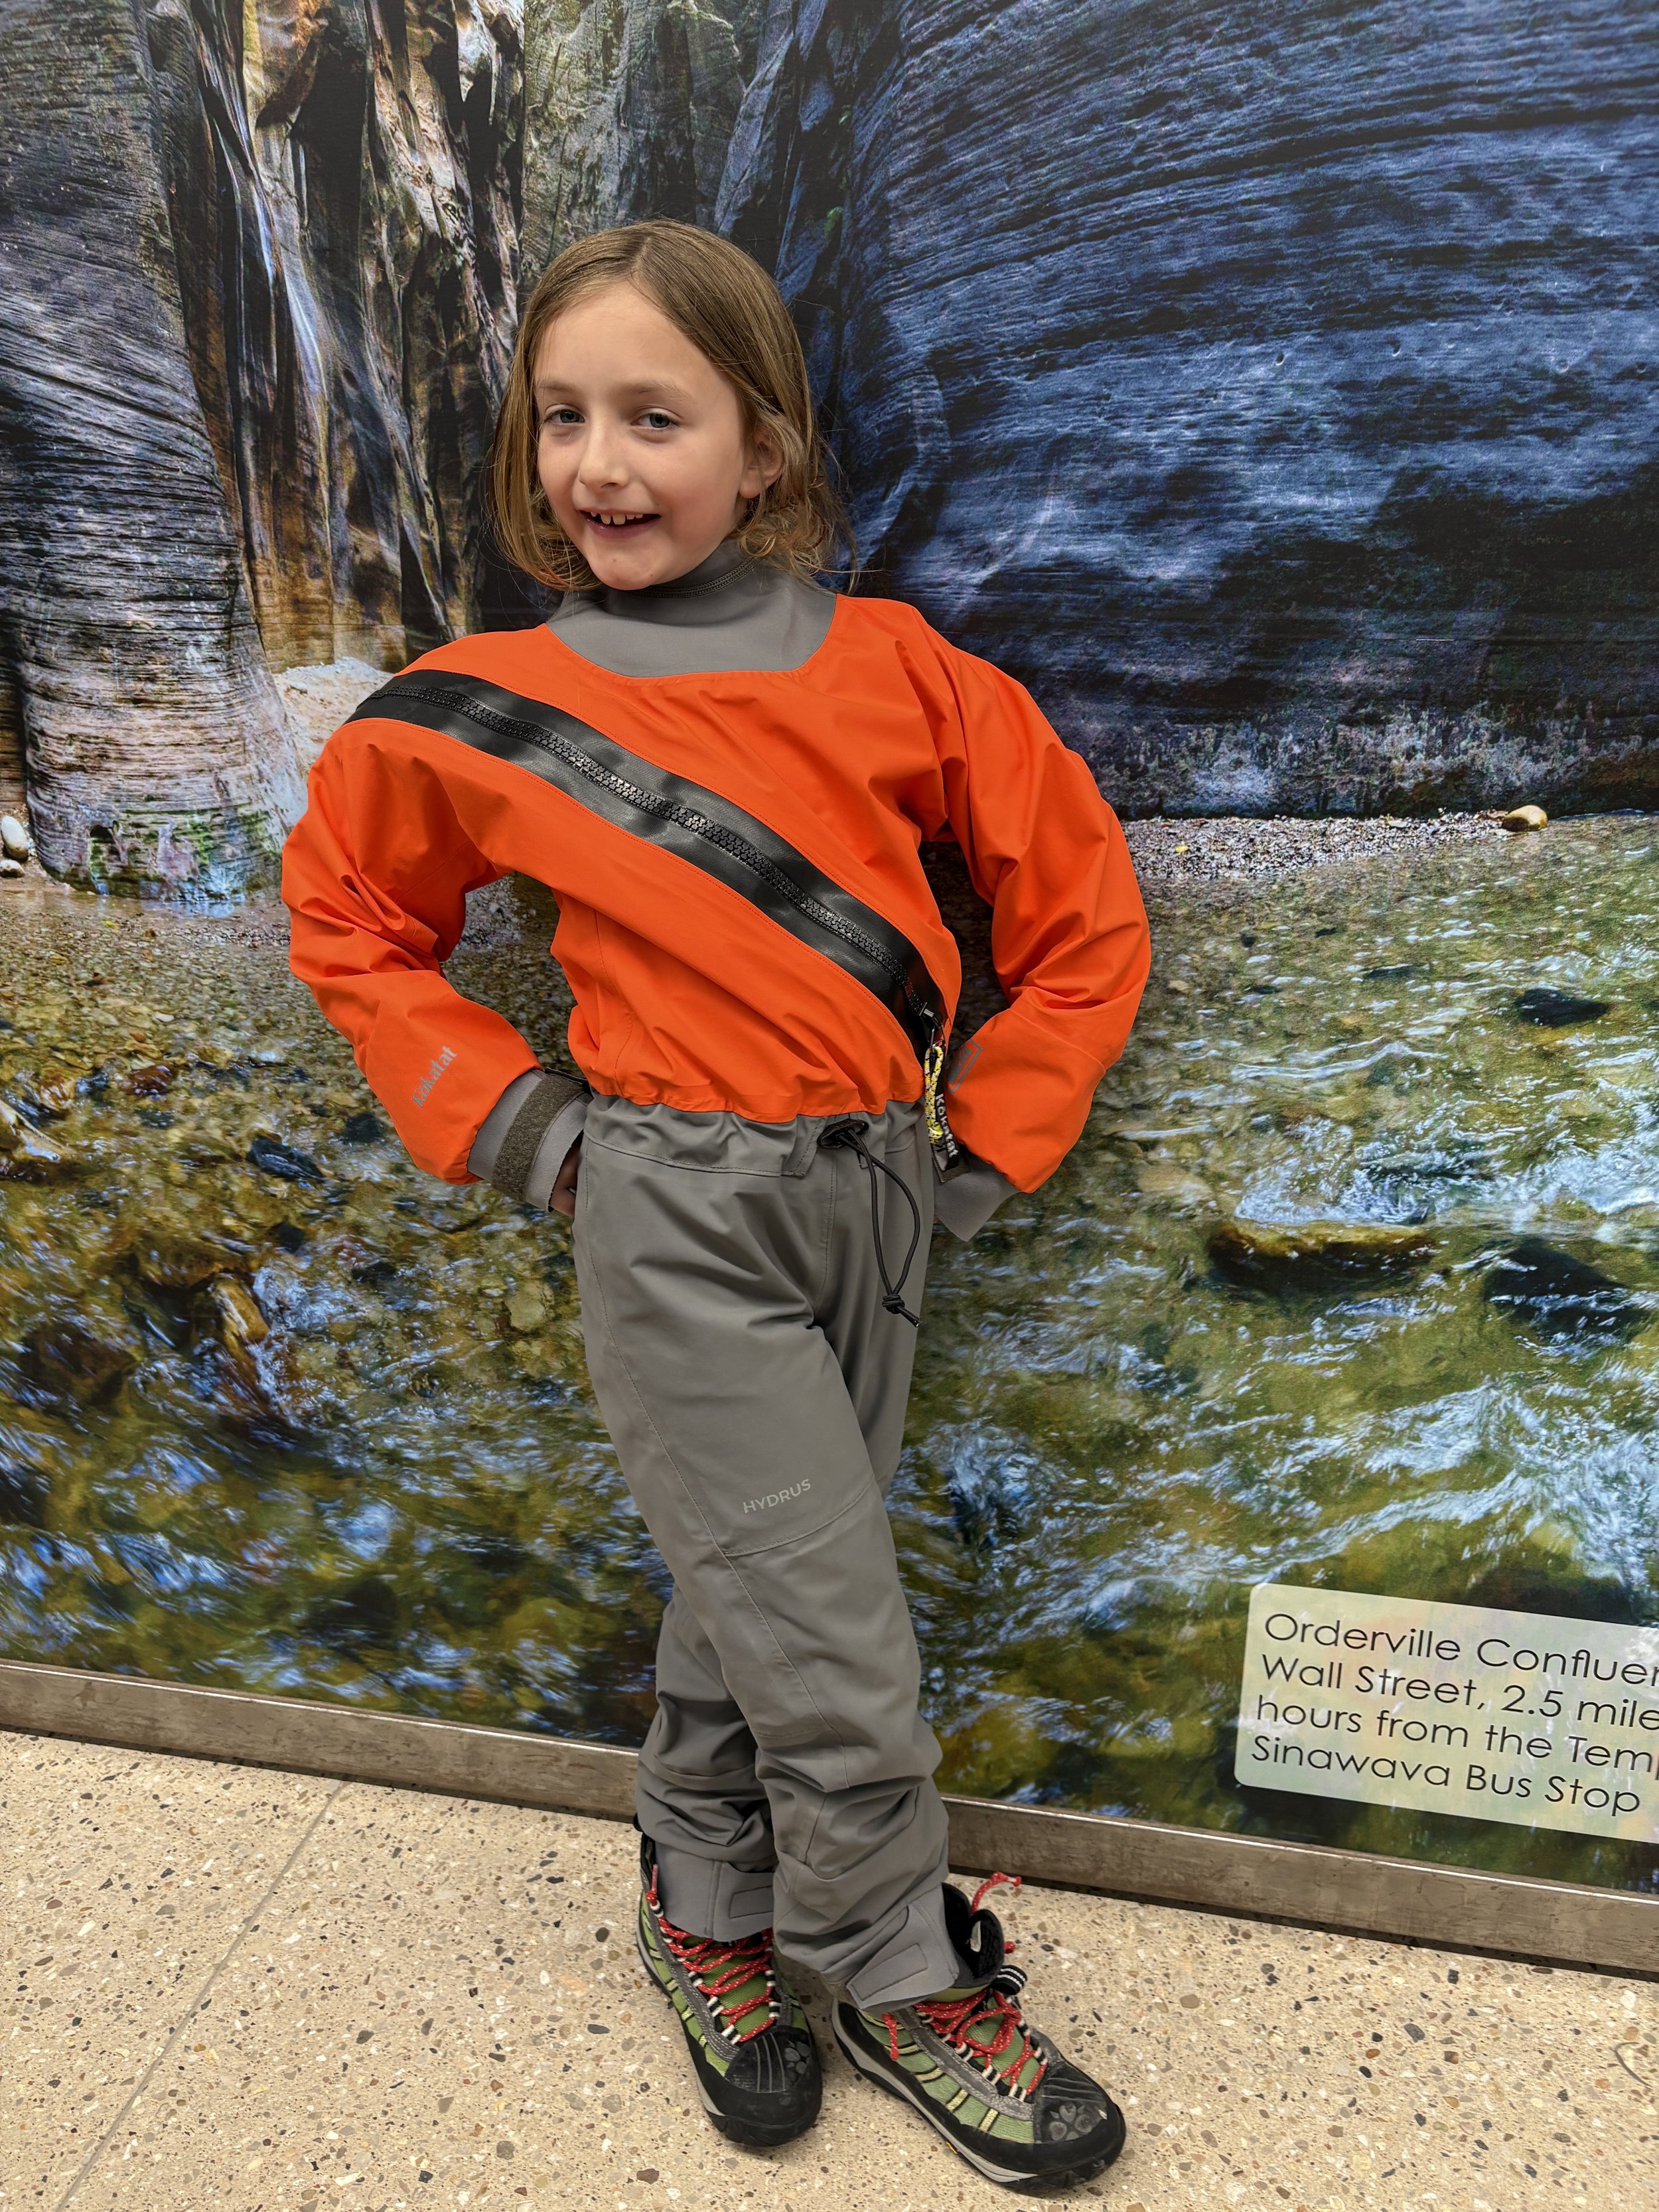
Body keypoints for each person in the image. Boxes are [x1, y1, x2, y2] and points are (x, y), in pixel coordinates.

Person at [282, 218, 1149, 2191]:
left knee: (759, 1590)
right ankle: (900, 1969)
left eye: (653, 417)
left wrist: (990, 1144)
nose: (599, 462)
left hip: (882, 1202)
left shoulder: (901, 669)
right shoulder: (472, 703)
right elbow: (344, 914)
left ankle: (700, 1907)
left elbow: (1084, 918)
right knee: (836, 1641)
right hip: (664, 1208)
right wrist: (524, 1131)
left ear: (759, 446)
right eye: (563, 414)